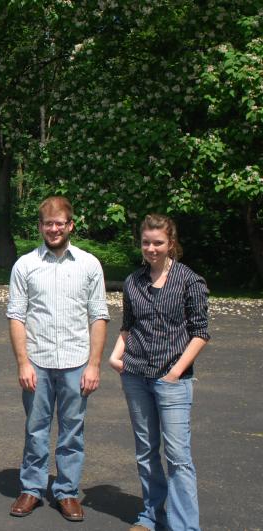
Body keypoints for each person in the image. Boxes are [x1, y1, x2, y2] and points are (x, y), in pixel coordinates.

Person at [6, 196, 109, 522]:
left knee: (72, 431)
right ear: (40, 227)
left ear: (70, 225)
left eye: (59, 223)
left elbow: (98, 316)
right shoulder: (25, 265)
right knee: (35, 429)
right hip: (37, 360)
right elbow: (16, 317)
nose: (53, 229)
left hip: (77, 361)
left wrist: (94, 364)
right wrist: (23, 362)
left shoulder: (89, 265)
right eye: (47, 224)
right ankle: (32, 489)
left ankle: (66, 491)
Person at [108, 214, 209, 531]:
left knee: (178, 456)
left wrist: (176, 372)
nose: (151, 248)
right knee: (146, 452)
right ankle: (152, 515)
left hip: (171, 379)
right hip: (135, 375)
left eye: (158, 242)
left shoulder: (189, 281)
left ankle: (184, 526)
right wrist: (115, 356)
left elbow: (200, 332)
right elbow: (128, 326)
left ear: (171, 244)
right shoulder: (133, 281)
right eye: (146, 242)